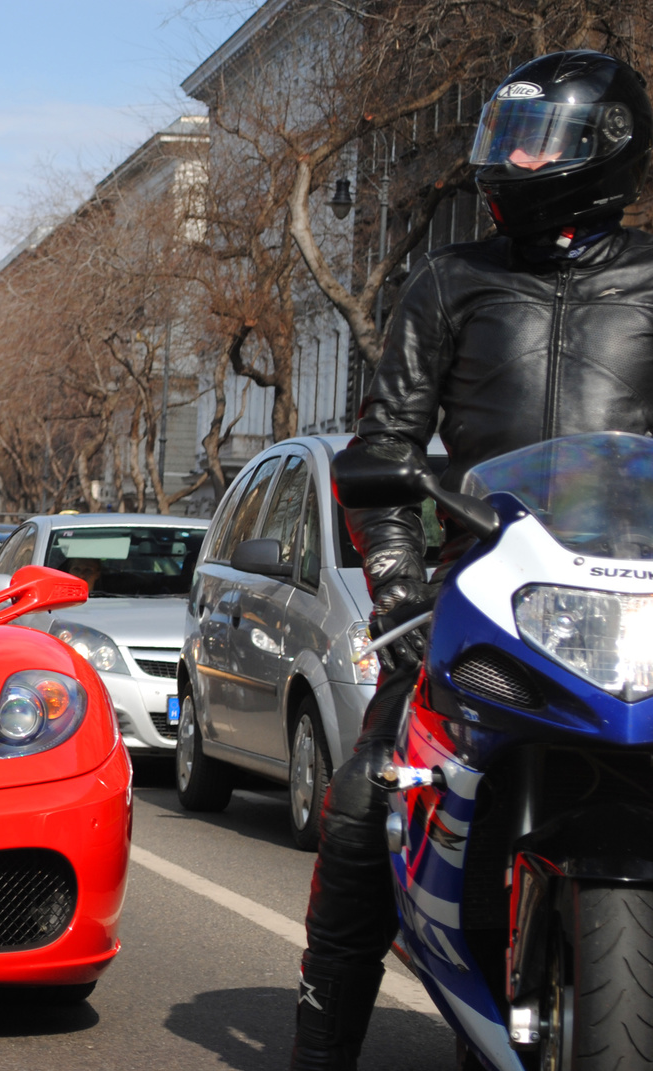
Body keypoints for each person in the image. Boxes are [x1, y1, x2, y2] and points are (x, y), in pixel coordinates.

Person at [292, 51, 653, 1070]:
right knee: (365, 801)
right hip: (485, 594)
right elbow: (381, 452)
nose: (512, 158)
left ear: (607, 147)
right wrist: (400, 582)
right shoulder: (449, 282)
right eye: (507, 135)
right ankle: (319, 1050)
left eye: (538, 138)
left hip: (635, 595)